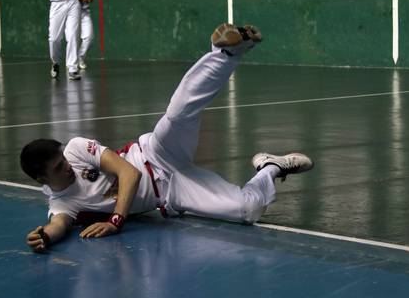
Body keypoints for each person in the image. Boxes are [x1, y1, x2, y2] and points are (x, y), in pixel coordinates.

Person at [21, 23, 314, 252]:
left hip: (155, 154)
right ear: (43, 181)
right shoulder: (62, 204)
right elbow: (59, 224)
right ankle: (269, 168)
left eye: (63, 161)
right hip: (172, 192)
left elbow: (128, 172)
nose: (67, 167)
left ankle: (226, 52)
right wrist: (44, 237)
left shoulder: (74, 149)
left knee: (178, 113)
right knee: (247, 209)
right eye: (59, 169)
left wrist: (115, 220)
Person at [77, 0, 94, 70]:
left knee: (89, 37)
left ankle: (80, 57)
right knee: (72, 39)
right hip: (72, 12)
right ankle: (71, 62)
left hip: (85, 12)